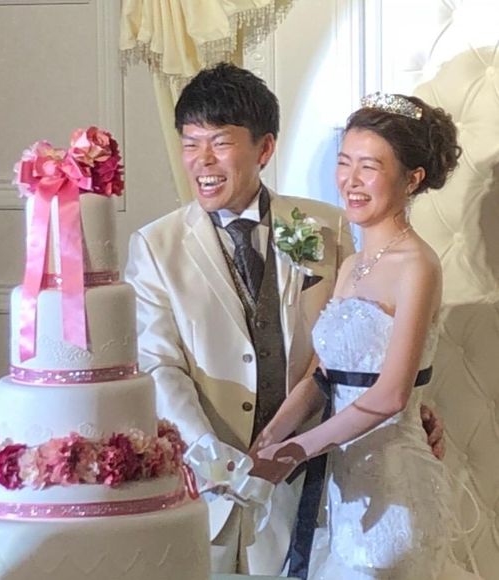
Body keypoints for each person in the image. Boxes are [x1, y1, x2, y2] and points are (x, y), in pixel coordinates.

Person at [125, 64, 442, 576]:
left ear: (265, 148)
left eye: (220, 143)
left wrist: (413, 406)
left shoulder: (329, 226)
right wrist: (216, 458)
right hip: (208, 491)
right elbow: (159, 365)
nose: (203, 160)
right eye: (190, 144)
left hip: (316, 491)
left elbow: (362, 348)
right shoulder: (155, 246)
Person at [251, 93, 478, 579]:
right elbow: (323, 376)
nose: (350, 180)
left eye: (369, 167)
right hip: (345, 488)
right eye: (344, 162)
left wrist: (300, 448)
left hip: (396, 488)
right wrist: (270, 438)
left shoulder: (417, 265)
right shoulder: (353, 264)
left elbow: (393, 394)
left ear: (412, 178)